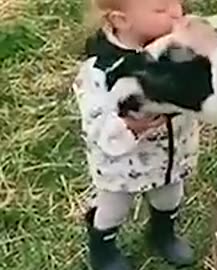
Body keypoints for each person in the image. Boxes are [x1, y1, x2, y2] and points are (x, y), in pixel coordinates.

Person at [71, 0, 199, 269]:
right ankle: (102, 247)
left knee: (169, 195)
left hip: (171, 154)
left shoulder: (178, 47)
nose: (177, 11)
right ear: (121, 20)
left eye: (178, 1)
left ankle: (162, 234)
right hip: (122, 163)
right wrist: (128, 126)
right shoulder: (102, 69)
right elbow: (94, 122)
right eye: (161, 10)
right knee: (114, 208)